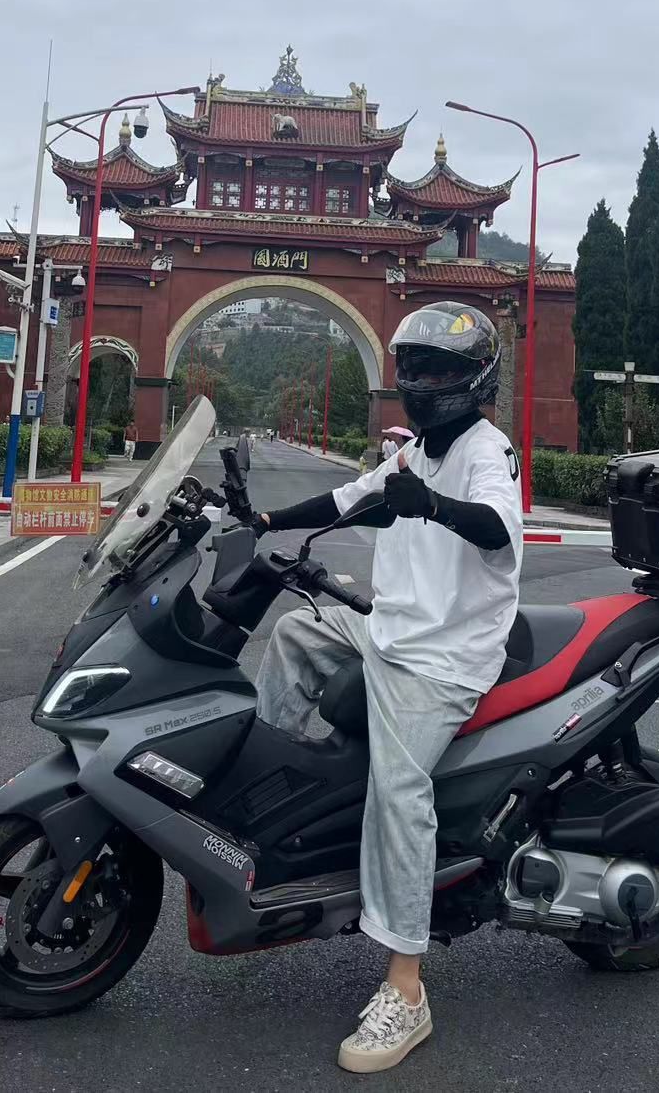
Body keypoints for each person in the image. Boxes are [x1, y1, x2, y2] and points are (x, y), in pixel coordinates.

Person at [255, 302, 522, 1074]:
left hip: (445, 655)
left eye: (439, 367)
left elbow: (498, 526)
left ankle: (407, 987)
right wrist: (264, 517)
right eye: (415, 365)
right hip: (391, 629)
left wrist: (433, 504)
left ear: (473, 379)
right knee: (295, 633)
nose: (423, 378)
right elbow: (350, 501)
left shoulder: (486, 449)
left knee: (399, 786)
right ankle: (273, 809)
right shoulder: (413, 453)